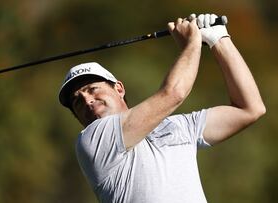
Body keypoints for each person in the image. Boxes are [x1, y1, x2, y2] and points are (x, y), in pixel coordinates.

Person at [58, 13, 266, 203]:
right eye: (77, 101)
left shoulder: (178, 126)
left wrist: (218, 39)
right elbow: (174, 93)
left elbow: (250, 109)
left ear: (119, 88)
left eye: (92, 89)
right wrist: (192, 42)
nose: (87, 100)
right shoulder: (92, 140)